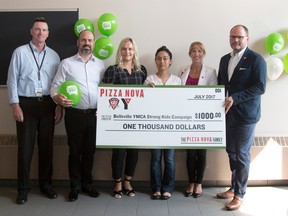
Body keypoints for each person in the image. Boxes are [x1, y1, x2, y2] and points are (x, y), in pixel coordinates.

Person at [6, 17, 62, 205]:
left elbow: (58, 83)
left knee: (46, 148)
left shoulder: (54, 55)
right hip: (26, 105)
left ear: (48, 33)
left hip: (48, 104)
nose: (40, 33)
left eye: (44, 30)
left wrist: (59, 105)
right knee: (25, 149)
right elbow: (12, 80)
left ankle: (46, 185)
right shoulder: (20, 52)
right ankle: (23, 189)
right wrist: (15, 104)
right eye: (37, 29)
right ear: (31, 31)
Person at [50, 30, 105, 202]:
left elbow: (107, 88)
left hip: (94, 115)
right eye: (83, 40)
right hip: (74, 115)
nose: (86, 43)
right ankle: (75, 186)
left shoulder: (101, 65)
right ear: (78, 42)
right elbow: (55, 86)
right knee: (74, 152)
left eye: (90, 40)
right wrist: (57, 98)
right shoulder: (66, 64)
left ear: (94, 43)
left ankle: (87, 185)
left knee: (89, 152)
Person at [216, 25, 266, 210]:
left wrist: (235, 98)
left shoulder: (256, 59)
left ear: (247, 38)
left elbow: (260, 87)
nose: (235, 40)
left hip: (246, 116)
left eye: (239, 37)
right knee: (231, 152)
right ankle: (233, 186)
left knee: (242, 154)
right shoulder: (224, 60)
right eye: (232, 37)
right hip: (227, 114)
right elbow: (221, 85)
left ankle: (239, 194)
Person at [102, 37, 147, 199]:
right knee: (119, 152)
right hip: (118, 119)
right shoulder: (112, 70)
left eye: (130, 49)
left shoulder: (141, 70)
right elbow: (105, 96)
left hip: (135, 119)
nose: (127, 52)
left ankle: (128, 181)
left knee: (134, 152)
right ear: (119, 51)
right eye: (124, 49)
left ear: (134, 51)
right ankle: (118, 182)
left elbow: (144, 95)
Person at [178, 42, 217, 198]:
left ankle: (199, 183)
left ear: (204, 53)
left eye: (199, 51)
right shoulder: (182, 70)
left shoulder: (211, 71)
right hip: (187, 117)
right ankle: (191, 183)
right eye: (193, 51)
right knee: (190, 153)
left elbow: (214, 93)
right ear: (190, 54)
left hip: (203, 118)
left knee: (201, 152)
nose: (196, 53)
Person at [145, 46, 181, 200]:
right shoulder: (149, 79)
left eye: (165, 58)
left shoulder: (177, 80)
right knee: (155, 159)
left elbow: (181, 103)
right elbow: (143, 103)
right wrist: (146, 90)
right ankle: (156, 188)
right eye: (159, 58)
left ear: (170, 61)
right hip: (154, 126)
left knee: (170, 159)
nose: (162, 61)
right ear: (155, 61)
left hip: (171, 126)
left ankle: (167, 188)